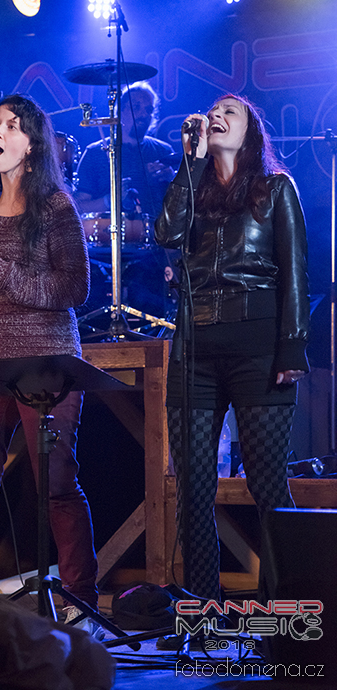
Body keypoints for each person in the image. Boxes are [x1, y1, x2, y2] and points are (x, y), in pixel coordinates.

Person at [0, 94, 100, 634]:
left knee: (56, 483)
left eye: (11, 126)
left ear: (31, 145)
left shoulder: (55, 207)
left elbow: (74, 289)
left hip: (48, 360)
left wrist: (3, 271)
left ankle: (80, 600)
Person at [154, 94, 310, 602]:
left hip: (257, 347)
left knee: (267, 486)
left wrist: (292, 347)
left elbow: (295, 272)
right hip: (195, 351)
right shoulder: (193, 188)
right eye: (213, 111)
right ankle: (204, 613)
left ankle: (285, 609)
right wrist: (190, 164)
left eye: (230, 112)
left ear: (251, 132)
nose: (216, 116)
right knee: (194, 490)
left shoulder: (275, 188)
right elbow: (165, 233)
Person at [76, 81, 178, 318]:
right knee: (97, 312)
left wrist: (172, 179)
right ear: (119, 112)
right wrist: (108, 201)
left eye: (149, 109)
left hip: (153, 247)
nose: (143, 114)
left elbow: (182, 207)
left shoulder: (163, 152)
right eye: (136, 107)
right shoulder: (97, 152)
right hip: (103, 247)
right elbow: (77, 206)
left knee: (152, 309)